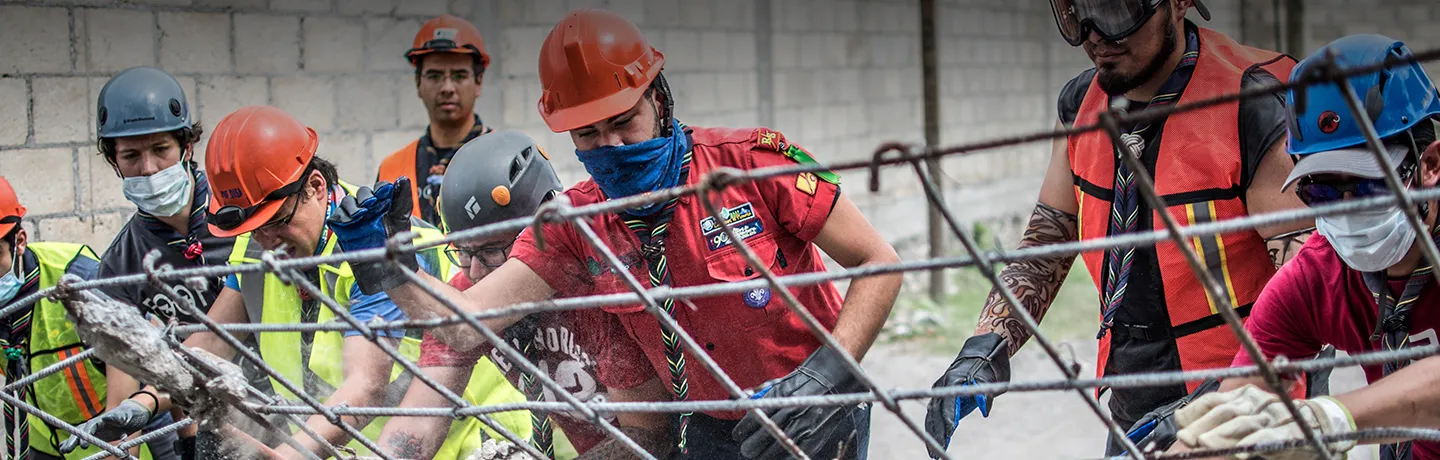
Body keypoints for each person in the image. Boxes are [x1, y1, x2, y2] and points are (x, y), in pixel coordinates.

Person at [327, 8, 903, 460]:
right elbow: (463, 324)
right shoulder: (578, 225)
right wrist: (381, 266)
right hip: (708, 428)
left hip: (817, 405)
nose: (614, 147)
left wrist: (828, 372)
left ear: (658, 97)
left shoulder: (753, 163)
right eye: (589, 133)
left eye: (624, 122)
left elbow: (879, 262)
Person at [924, 0, 1318, 457]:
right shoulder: (1080, 106)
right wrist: (986, 345)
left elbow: (1308, 288)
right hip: (1135, 396)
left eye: (1113, 11)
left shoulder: (1250, 104)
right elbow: (1049, 238)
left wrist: (1220, 394)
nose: (1093, 35)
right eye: (1076, 13)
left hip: (1250, 406)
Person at [128, 105, 528, 459]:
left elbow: (365, 385)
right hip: (349, 446)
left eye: (277, 222)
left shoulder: (375, 242)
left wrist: (286, 455)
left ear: (316, 188)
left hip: (461, 446)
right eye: (253, 230)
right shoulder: (256, 250)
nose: (267, 242)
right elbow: (208, 346)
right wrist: (146, 401)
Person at [1170, 34, 1440, 460]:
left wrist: (1329, 419)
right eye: (1324, 192)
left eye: (1368, 186)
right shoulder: (1318, 278)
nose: (1348, 211)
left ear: (1430, 166)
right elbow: (1242, 403)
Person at [375, 131, 674, 459]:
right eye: (462, 251)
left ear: (545, 231)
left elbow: (648, 436)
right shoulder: (464, 298)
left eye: (491, 250)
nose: (474, 272)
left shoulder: (596, 291)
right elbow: (421, 419)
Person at [60, 65, 231, 460]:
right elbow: (121, 396)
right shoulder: (120, 265)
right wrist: (117, 447)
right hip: (198, 432)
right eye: (131, 156)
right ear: (113, 161)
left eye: (160, 150)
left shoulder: (243, 224)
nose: (149, 169)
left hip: (281, 415)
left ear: (187, 147)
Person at [0, 176, 163, 459]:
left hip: (118, 433)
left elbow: (128, 382)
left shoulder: (78, 277)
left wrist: (117, 450)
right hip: (45, 441)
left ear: (20, 241)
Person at [376, 14, 494, 228]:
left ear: (478, 82)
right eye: (434, 76)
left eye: (459, 75)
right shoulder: (391, 169)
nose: (447, 88)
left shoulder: (509, 157)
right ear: (418, 83)